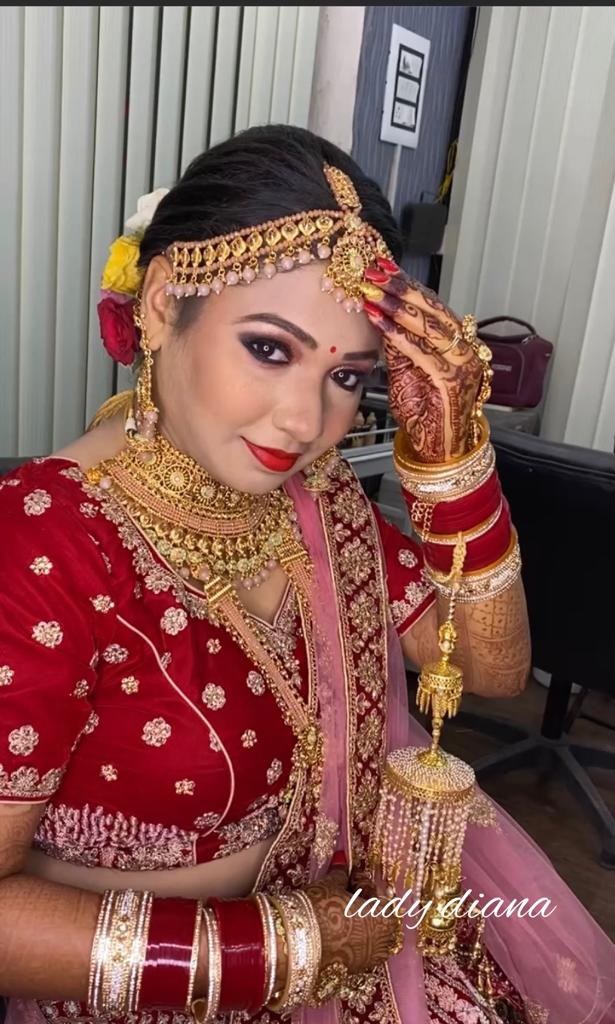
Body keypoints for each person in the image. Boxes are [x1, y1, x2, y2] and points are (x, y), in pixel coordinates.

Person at [0, 125, 612, 1024]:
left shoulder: (316, 498)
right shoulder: (44, 539)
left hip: (348, 923)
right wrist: (284, 948)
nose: (304, 421)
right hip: (147, 984)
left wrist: (453, 462)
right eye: (269, 349)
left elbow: (486, 669)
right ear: (163, 305)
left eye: (348, 378)